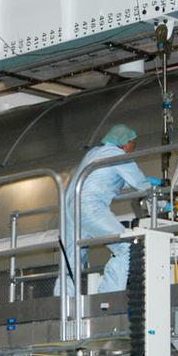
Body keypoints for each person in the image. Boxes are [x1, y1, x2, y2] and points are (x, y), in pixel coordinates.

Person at [63, 124, 163, 294]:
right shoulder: (119, 156)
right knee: (127, 248)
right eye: (133, 144)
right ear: (125, 143)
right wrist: (162, 203)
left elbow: (109, 180)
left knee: (71, 258)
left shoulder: (94, 153)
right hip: (91, 208)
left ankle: (63, 303)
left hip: (72, 208)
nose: (133, 148)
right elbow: (139, 184)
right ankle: (109, 297)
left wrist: (146, 181)